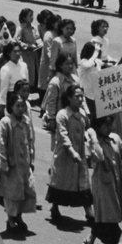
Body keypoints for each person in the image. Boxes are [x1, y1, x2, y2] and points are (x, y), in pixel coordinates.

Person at [46, 83, 92, 225]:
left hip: (80, 154)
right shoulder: (62, 115)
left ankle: (89, 212)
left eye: (82, 97)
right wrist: (71, 151)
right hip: (64, 155)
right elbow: (63, 136)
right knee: (61, 182)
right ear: (69, 98)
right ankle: (54, 207)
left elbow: (87, 130)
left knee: (83, 183)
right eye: (77, 96)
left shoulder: (82, 114)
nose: (80, 99)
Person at [83, 112, 122, 244]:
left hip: (115, 183)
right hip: (102, 185)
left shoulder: (115, 138)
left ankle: (89, 241)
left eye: (110, 124)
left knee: (104, 217)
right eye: (106, 125)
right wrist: (93, 135)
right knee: (110, 219)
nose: (109, 128)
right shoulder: (93, 141)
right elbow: (100, 156)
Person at [0, 91, 36, 236]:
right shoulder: (5, 122)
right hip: (12, 165)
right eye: (17, 106)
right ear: (10, 107)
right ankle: (11, 220)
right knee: (12, 194)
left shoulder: (26, 121)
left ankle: (19, 216)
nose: (20, 108)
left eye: (22, 105)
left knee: (26, 190)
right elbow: (2, 144)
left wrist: (31, 160)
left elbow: (29, 142)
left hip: (24, 163)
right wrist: (4, 164)